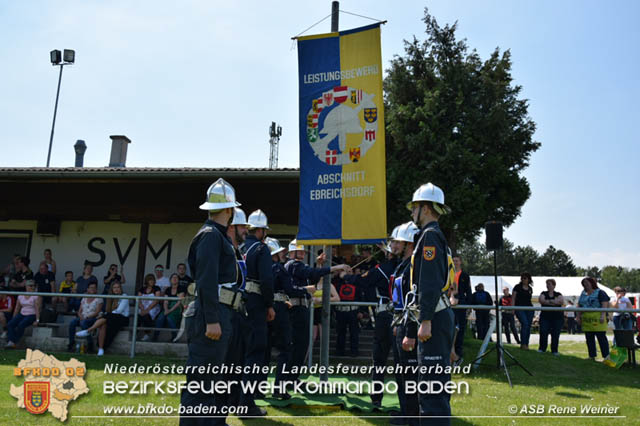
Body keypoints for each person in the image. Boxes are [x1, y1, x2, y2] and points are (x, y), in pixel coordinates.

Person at [180, 178, 241, 426]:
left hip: (220, 312)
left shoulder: (217, 236)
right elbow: (206, 280)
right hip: (210, 315)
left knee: (212, 381)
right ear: (229, 210)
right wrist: (213, 320)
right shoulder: (210, 236)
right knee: (202, 383)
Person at [403, 182, 455, 425]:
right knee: (433, 388)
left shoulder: (430, 236)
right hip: (436, 315)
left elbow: (430, 281)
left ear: (425, 208)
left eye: (415, 207)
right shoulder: (430, 235)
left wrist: (425, 321)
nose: (412, 212)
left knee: (432, 391)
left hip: (433, 316)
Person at [285, 239, 346, 386]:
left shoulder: (296, 266)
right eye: (299, 251)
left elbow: (311, 276)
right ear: (292, 252)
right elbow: (312, 273)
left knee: (301, 345)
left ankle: (292, 379)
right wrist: (335, 267)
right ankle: (289, 379)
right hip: (296, 309)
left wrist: (319, 264)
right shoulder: (294, 265)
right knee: (298, 346)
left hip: (299, 308)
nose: (302, 252)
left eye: (302, 250)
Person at [238, 209, 275, 416]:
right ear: (261, 231)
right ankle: (247, 405)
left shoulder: (240, 247)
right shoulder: (261, 249)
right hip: (256, 304)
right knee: (255, 353)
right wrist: (269, 304)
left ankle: (235, 400)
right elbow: (267, 281)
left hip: (238, 304)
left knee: (239, 354)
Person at [266, 237, 310, 399]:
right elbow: (290, 289)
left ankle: (257, 388)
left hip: (267, 307)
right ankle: (279, 387)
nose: (282, 255)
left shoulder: (267, 267)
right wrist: (306, 290)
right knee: (285, 349)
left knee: (264, 351)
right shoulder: (280, 268)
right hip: (278, 308)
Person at [389, 222, 420, 425]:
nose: (394, 245)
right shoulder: (402, 265)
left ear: (408, 243)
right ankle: (405, 412)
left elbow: (414, 301)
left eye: (398, 242)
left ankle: (413, 416)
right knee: (401, 373)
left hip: (410, 325)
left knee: (410, 375)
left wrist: (410, 332)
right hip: (400, 323)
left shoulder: (414, 266)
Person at [76, 281, 130, 356]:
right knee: (103, 324)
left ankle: (88, 330)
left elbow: (119, 311)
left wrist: (105, 315)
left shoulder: (124, 296)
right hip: (111, 317)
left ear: (121, 288)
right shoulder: (110, 297)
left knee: (105, 317)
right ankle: (101, 349)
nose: (116, 289)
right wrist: (104, 314)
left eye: (118, 287)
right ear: (112, 289)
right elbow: (108, 311)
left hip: (122, 318)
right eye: (114, 287)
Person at [577, 277, 610, 361]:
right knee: (589, 338)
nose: (586, 285)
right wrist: (578, 316)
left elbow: (604, 304)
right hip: (586, 319)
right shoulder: (583, 293)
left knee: (601, 338)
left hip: (598, 318)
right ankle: (592, 356)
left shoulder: (600, 292)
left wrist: (603, 315)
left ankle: (606, 356)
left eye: (587, 283)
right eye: (584, 284)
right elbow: (580, 305)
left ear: (592, 283)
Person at [67, 281, 102, 352]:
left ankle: (90, 343)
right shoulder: (84, 298)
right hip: (82, 317)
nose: (92, 289)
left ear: (96, 289)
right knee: (72, 323)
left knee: (83, 323)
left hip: (93, 318)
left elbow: (97, 312)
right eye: (91, 287)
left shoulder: (99, 298)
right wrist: (80, 317)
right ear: (88, 289)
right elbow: (79, 311)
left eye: (94, 288)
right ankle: (71, 343)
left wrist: (86, 317)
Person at [5, 280, 41, 348]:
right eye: (30, 286)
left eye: (34, 286)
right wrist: (14, 318)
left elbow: (37, 309)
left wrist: (37, 320)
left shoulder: (36, 296)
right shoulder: (21, 295)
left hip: (31, 314)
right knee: (10, 324)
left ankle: (13, 341)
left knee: (21, 325)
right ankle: (11, 341)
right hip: (22, 314)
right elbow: (17, 308)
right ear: (26, 286)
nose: (32, 287)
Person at [450, 255, 472, 363]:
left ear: (460, 262)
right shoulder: (448, 273)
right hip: (449, 303)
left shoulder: (465, 275)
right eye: (453, 261)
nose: (455, 262)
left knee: (460, 329)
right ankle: (450, 355)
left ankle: (458, 355)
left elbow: (468, 291)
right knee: (450, 329)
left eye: (457, 261)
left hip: (461, 304)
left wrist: (468, 306)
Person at [538, 279, 564, 355]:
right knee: (543, 332)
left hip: (557, 317)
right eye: (547, 284)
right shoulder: (543, 293)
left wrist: (548, 301)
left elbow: (561, 301)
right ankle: (542, 349)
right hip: (545, 317)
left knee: (556, 334)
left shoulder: (558, 294)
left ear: (554, 285)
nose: (548, 285)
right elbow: (541, 300)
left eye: (549, 284)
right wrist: (553, 302)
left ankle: (554, 350)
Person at [512, 272, 534, 350]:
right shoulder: (517, 287)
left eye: (525, 278)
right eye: (522, 278)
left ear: (528, 279)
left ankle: (526, 344)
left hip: (529, 309)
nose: (523, 279)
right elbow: (513, 298)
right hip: (519, 308)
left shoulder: (530, 288)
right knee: (525, 323)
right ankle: (523, 343)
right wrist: (513, 308)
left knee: (528, 326)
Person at [137, 273, 162, 342]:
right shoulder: (142, 289)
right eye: (150, 280)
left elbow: (156, 300)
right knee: (138, 317)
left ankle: (147, 334)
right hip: (143, 307)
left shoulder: (157, 288)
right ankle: (135, 333)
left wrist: (147, 309)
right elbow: (138, 300)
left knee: (146, 316)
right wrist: (142, 308)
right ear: (147, 281)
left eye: (153, 280)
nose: (152, 281)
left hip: (153, 307)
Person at [160, 273, 184, 339]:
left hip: (176, 308)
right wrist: (166, 309)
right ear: (170, 280)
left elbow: (179, 302)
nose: (175, 279)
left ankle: (175, 336)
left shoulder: (181, 288)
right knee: (160, 318)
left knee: (169, 318)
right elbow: (165, 301)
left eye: (176, 277)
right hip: (167, 308)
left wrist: (169, 311)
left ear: (178, 280)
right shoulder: (168, 289)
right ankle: (155, 336)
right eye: (173, 277)